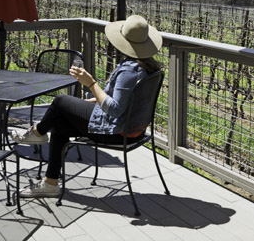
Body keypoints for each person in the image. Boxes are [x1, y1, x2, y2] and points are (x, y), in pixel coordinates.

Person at [14, 14, 162, 198]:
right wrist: (82, 105)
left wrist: (91, 83)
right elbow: (121, 101)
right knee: (59, 125)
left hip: (117, 132)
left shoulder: (128, 71)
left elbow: (114, 109)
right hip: (134, 130)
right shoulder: (149, 68)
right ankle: (50, 183)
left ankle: (37, 133)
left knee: (60, 100)